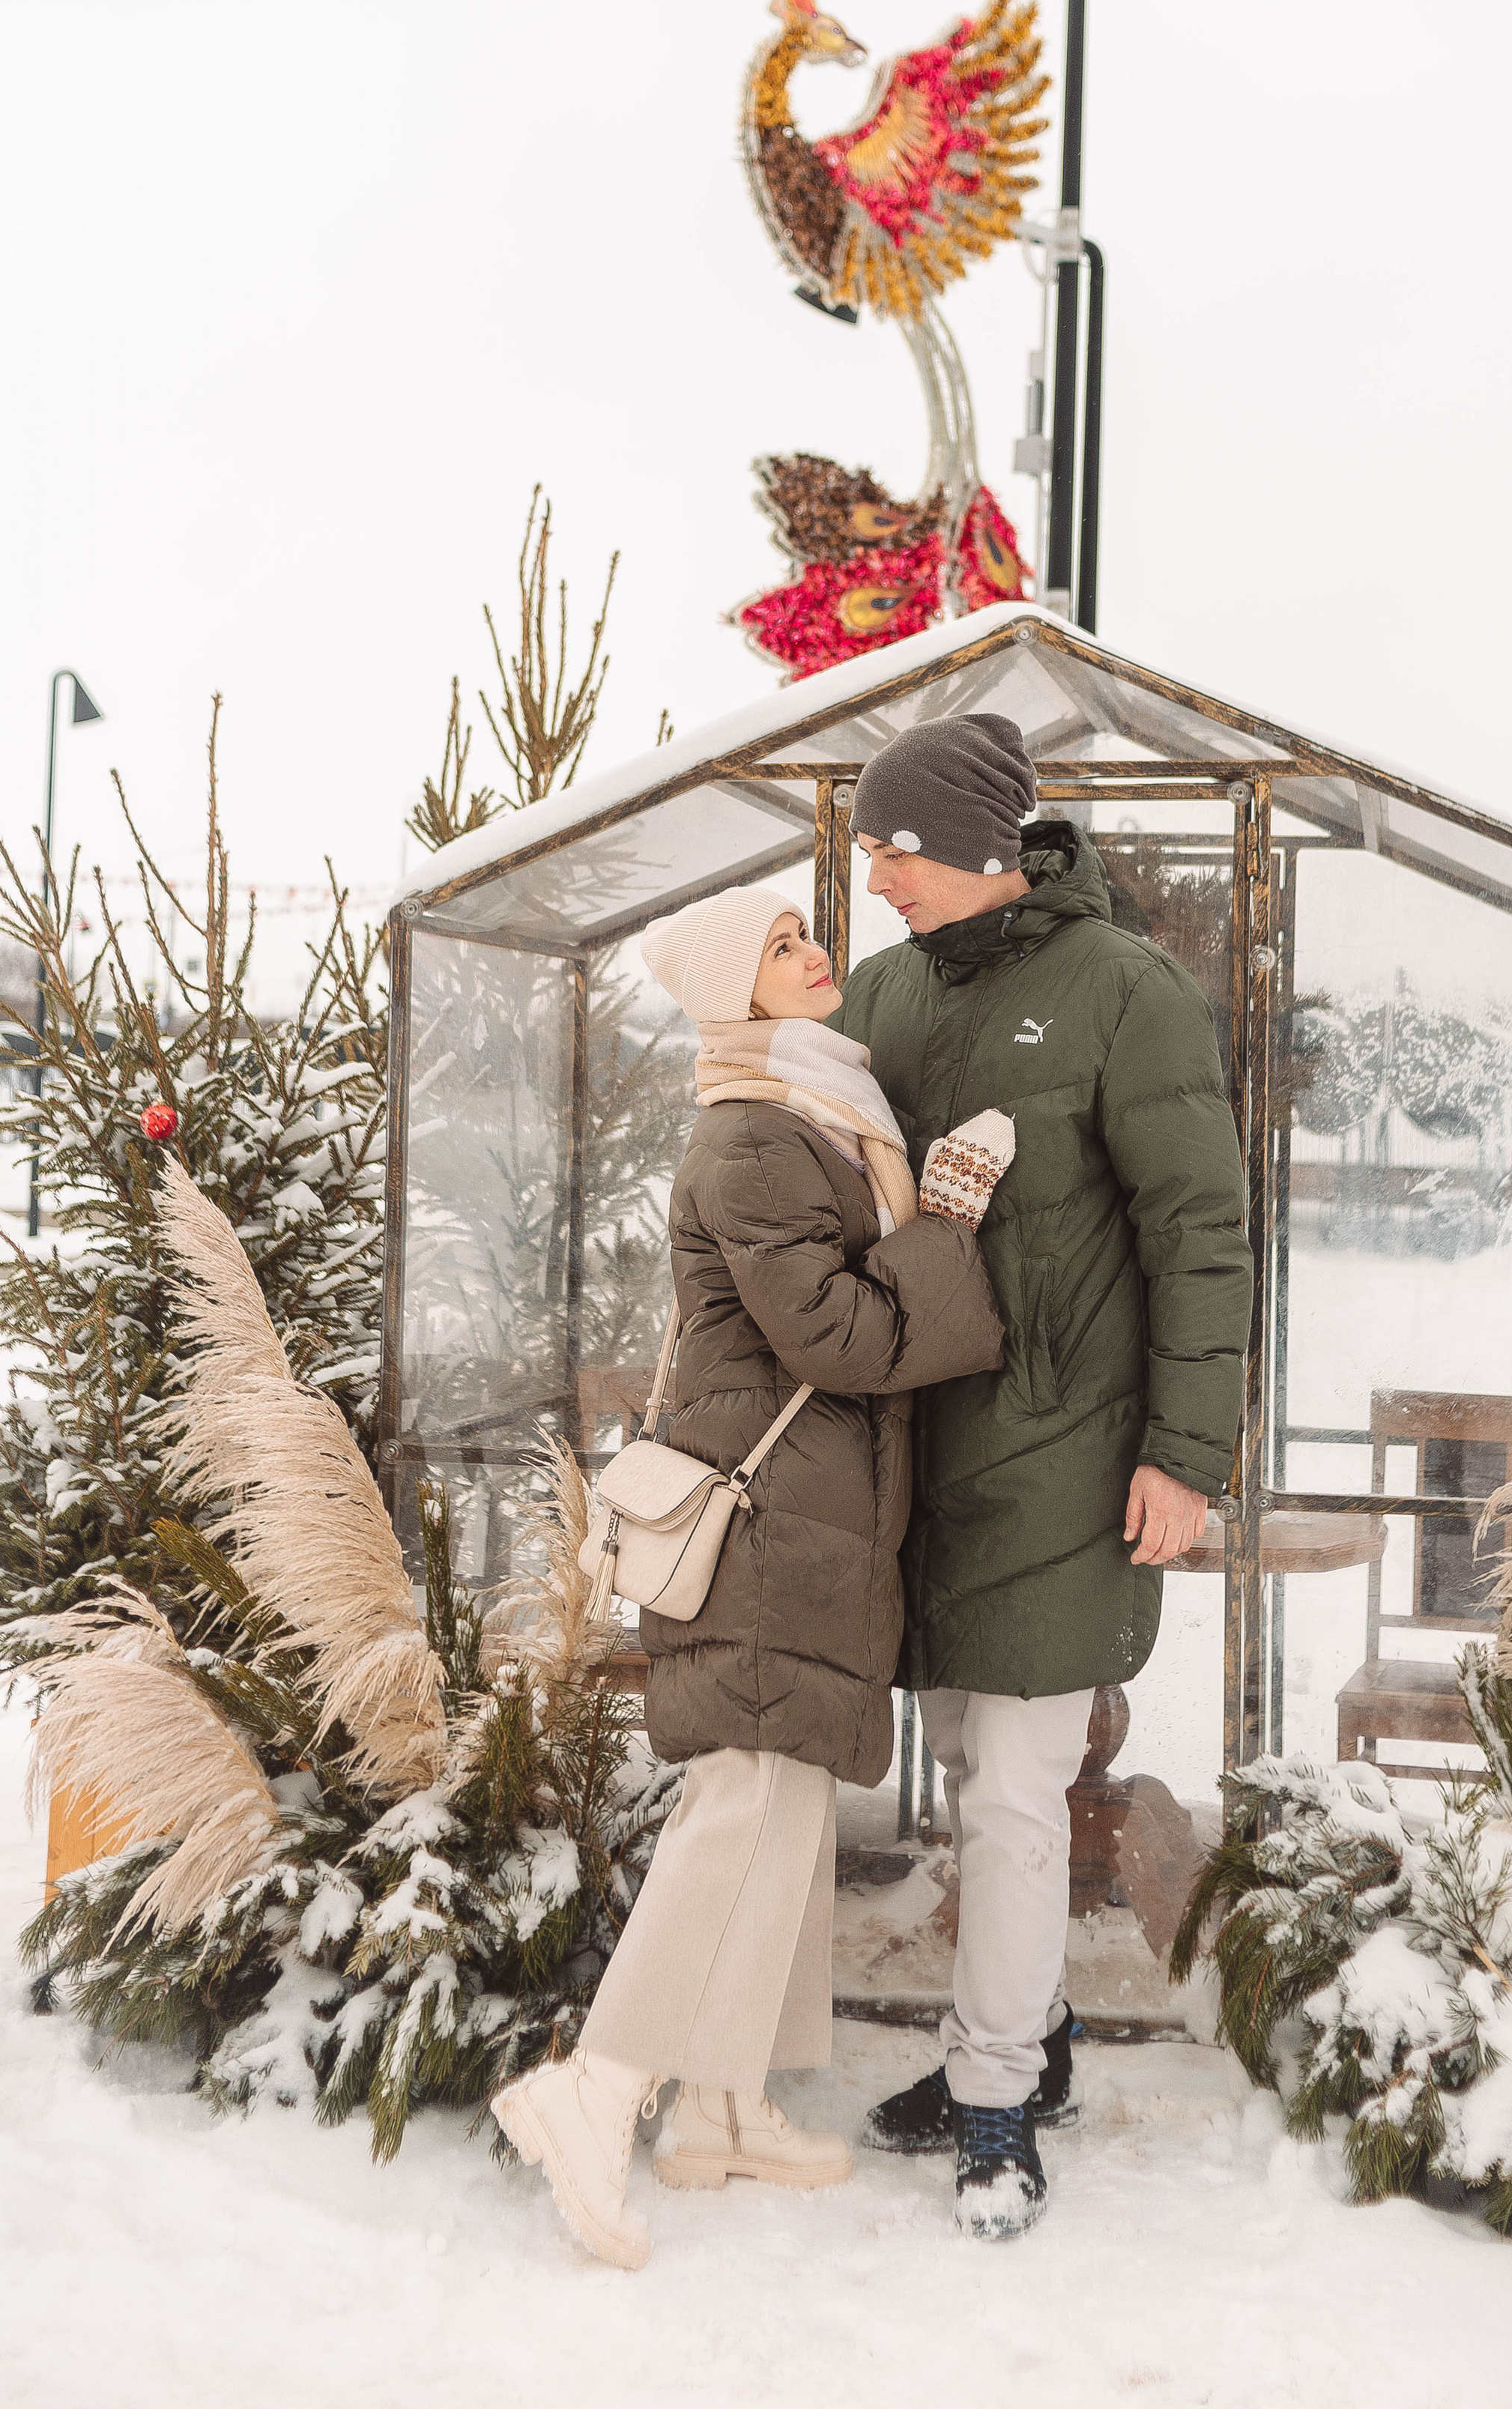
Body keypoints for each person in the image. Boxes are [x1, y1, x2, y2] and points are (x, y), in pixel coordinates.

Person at [494, 879, 1013, 2270]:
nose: (814, 951)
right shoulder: (753, 1141)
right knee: (744, 1803)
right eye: (781, 947)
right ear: (737, 992)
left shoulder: (818, 1110)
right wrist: (944, 1231)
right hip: (767, 1518)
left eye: (806, 931)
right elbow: (838, 1338)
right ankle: (594, 2090)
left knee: (785, 1806)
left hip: (809, 1512)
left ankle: (720, 2108)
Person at [838, 712, 1253, 2242]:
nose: (872, 879)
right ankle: (1037, 2039)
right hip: (916, 1456)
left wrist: (1185, 1453)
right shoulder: (883, 991)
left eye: (894, 850)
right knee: (962, 1756)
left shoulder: (1125, 992)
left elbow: (1199, 1233)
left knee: (1015, 1787)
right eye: (866, 849)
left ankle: (997, 2097)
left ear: (977, 847)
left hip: (1065, 1455)